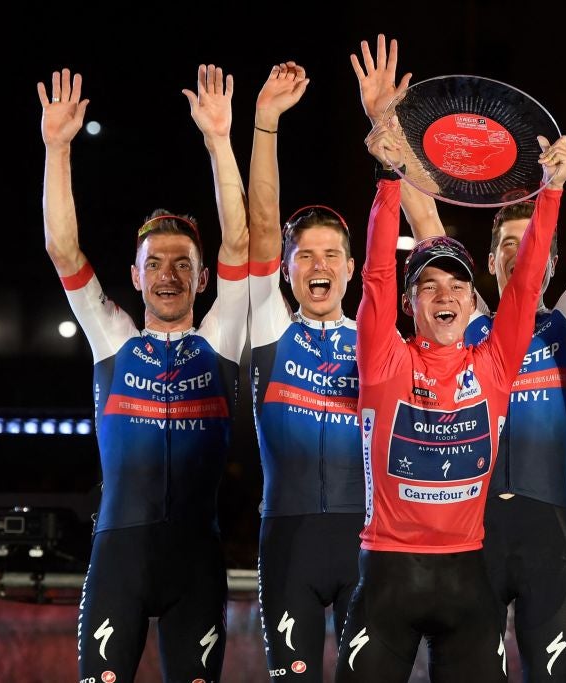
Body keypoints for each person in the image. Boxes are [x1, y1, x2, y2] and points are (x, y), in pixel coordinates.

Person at [350, 33, 566, 682]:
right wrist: (386, 169)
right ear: (409, 302)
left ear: (472, 300)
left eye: (456, 284)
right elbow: (379, 271)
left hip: (470, 575)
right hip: (387, 573)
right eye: (428, 283)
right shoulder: (384, 358)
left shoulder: (494, 359)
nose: (444, 292)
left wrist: (551, 191)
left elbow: (524, 287)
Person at [39, 64, 249, 681]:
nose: (167, 275)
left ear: (202, 279)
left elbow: (239, 242)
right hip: (118, 562)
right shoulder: (112, 338)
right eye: (154, 263)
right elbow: (62, 249)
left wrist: (218, 141)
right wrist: (56, 149)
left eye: (183, 264)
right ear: (135, 276)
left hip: (196, 565)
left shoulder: (221, 339)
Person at [246, 60, 365, 681]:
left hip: (365, 539)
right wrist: (266, 124)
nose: (318, 266)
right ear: (288, 271)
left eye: (331, 255)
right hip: (287, 540)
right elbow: (263, 228)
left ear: (350, 269)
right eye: (304, 256)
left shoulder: (376, 340)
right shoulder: (269, 329)